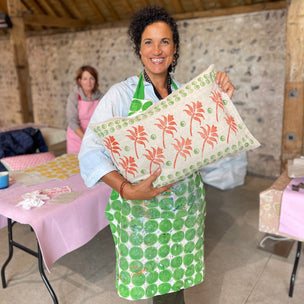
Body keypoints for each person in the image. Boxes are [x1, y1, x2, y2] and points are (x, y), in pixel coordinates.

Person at [79, 5, 235, 304]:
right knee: (159, 289)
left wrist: (220, 100)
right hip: (144, 212)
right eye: (148, 42)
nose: (157, 49)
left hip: (185, 209)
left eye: (165, 41)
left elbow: (204, 142)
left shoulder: (184, 94)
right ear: (139, 50)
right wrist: (126, 189)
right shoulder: (122, 95)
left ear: (175, 50)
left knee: (176, 284)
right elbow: (91, 151)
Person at [66, 65, 103, 153]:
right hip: (77, 137)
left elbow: (104, 117)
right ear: (80, 81)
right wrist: (85, 139)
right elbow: (72, 121)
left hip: (94, 137)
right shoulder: (74, 96)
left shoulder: (100, 97)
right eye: (85, 79)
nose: (88, 82)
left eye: (91, 78)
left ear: (95, 80)